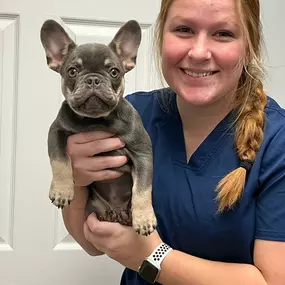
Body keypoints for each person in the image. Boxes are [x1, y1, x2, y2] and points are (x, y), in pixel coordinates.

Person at [62, 0, 285, 284]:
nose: (199, 52)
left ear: (249, 46)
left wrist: (151, 255)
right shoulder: (131, 115)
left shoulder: (277, 140)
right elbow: (91, 242)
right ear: (161, 37)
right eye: (183, 29)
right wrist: (76, 179)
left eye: (223, 34)